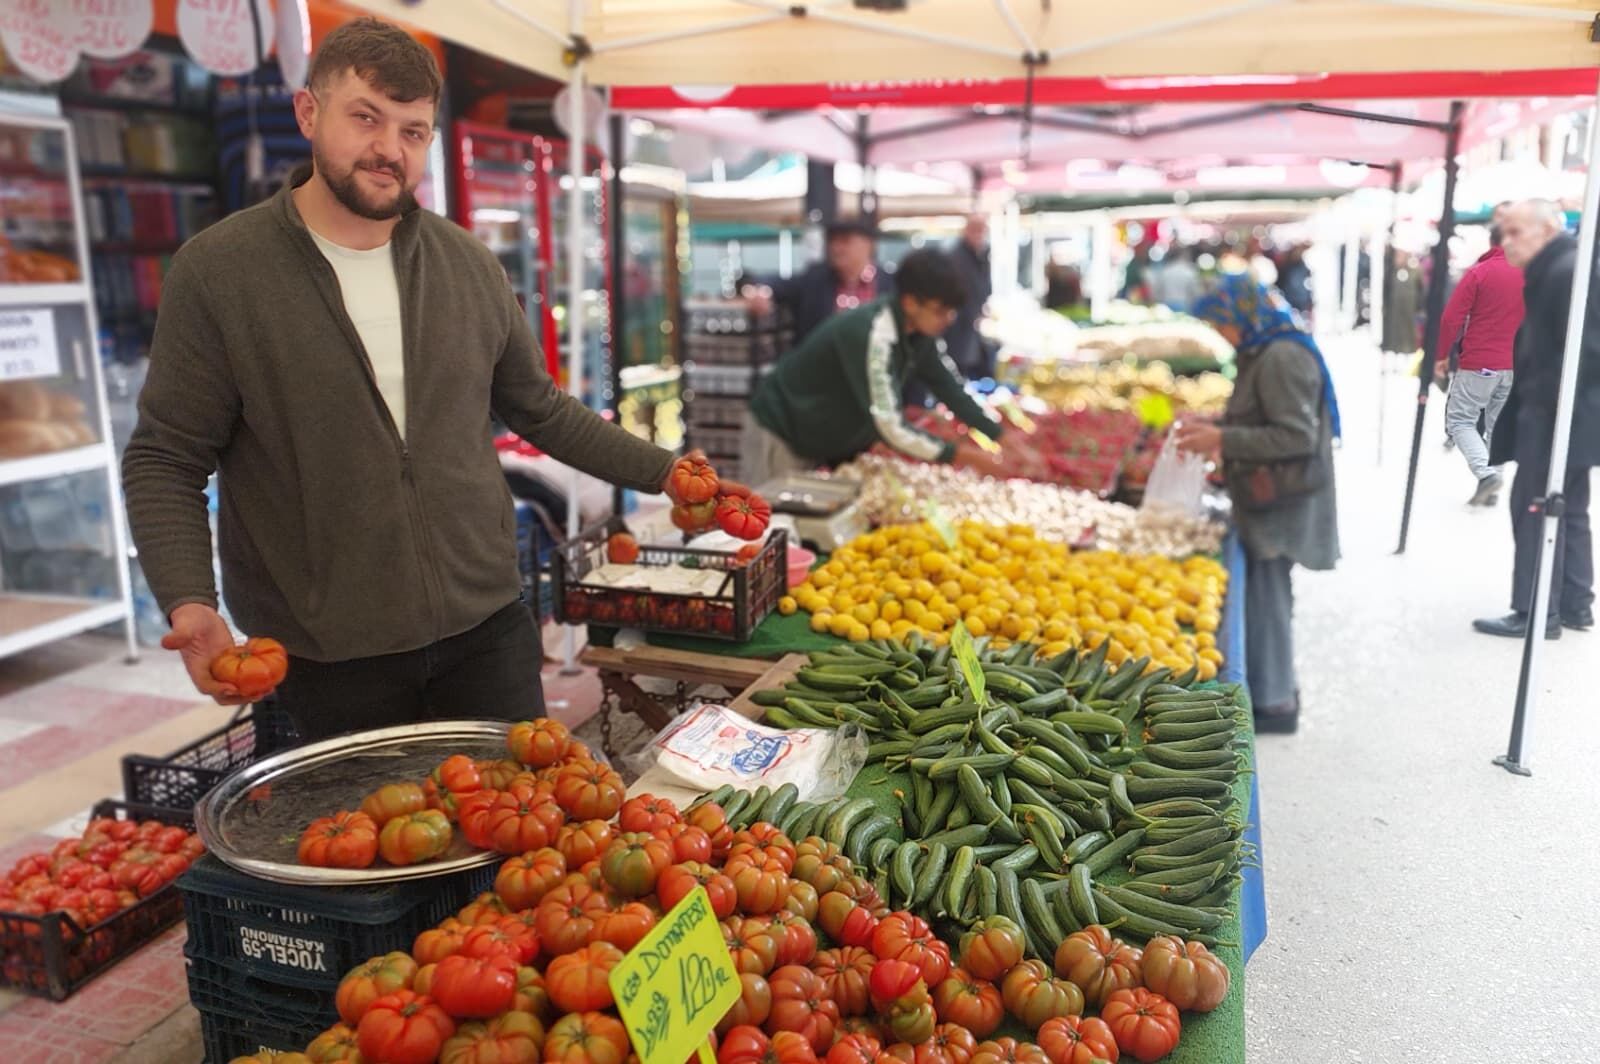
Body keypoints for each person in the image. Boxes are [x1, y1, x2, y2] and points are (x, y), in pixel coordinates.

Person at [122, 18, 702, 741]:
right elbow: (166, 457)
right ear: (308, 113)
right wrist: (190, 599)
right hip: (320, 656)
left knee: (519, 815)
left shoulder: (467, 264)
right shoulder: (221, 273)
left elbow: (541, 408)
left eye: (413, 131)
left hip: (487, 632)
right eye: (365, 118)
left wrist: (666, 473)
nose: (389, 150)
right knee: (351, 821)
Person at [1174, 274, 1340, 734]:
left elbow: (1294, 436)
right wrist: (1217, 427)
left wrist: (1223, 438)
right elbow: (1260, 416)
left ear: (1241, 314)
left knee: (1268, 599)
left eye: (1220, 324)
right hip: (1267, 496)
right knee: (1268, 597)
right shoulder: (1262, 347)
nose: (1220, 334)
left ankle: (1275, 703)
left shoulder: (1281, 356)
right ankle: (1274, 690)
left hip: (1282, 501)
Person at [741, 248, 1004, 485]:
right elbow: (889, 424)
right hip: (780, 432)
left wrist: (998, 434)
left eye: (952, 311)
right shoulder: (872, 334)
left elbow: (948, 387)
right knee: (769, 518)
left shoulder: (919, 335)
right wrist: (964, 456)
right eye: (940, 311)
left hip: (818, 439)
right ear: (910, 303)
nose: (948, 319)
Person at [1473, 199, 1599, 639]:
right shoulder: (1562, 268)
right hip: (1566, 415)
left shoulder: (1564, 272)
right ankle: (1574, 603)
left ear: (1546, 231)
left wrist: (1545, 409)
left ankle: (1536, 610)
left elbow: (1580, 353)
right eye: (1502, 233)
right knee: (1569, 507)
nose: (1506, 242)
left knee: (1535, 507)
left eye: (1515, 233)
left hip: (1555, 417)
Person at [1435, 213, 1523, 505]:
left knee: (1460, 420)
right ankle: (1492, 488)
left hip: (1479, 362)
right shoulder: (1530, 274)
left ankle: (1487, 475)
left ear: (1493, 240)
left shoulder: (1480, 272)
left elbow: (1450, 318)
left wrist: (1440, 355)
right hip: (1514, 364)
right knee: (1498, 425)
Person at [743, 219, 879, 345]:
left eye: (845, 241)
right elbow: (776, 283)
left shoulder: (887, 283)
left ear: (868, 245)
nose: (836, 248)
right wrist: (760, 292)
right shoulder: (815, 280)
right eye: (832, 241)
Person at [945, 215, 995, 379]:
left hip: (970, 332)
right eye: (975, 230)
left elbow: (984, 290)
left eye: (982, 230)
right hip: (957, 332)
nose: (979, 235)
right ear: (966, 231)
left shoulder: (981, 256)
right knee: (956, 374)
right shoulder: (956, 258)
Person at [1151, 246, 1202, 313]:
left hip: (1166, 304)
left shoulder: (1166, 270)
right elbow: (1195, 291)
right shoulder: (1190, 271)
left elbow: (1158, 290)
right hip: (1184, 304)